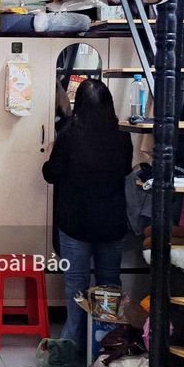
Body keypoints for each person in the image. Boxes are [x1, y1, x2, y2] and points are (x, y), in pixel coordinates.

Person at [41, 78, 133, 347]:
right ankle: (105, 345)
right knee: (109, 284)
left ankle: (73, 345)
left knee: (76, 286)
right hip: (112, 223)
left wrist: (50, 156)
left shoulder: (69, 136)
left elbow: (51, 174)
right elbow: (125, 170)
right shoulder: (122, 137)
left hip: (76, 223)